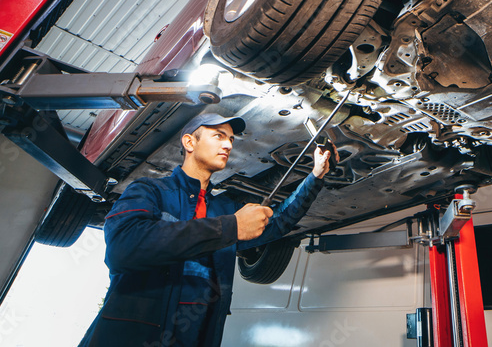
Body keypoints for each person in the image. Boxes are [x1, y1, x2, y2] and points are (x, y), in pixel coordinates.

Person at [79, 112, 330, 347]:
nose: (229, 145)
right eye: (219, 136)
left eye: (231, 139)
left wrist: (316, 176)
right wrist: (230, 227)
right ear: (190, 142)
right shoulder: (149, 191)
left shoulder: (224, 208)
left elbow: (278, 222)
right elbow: (123, 249)